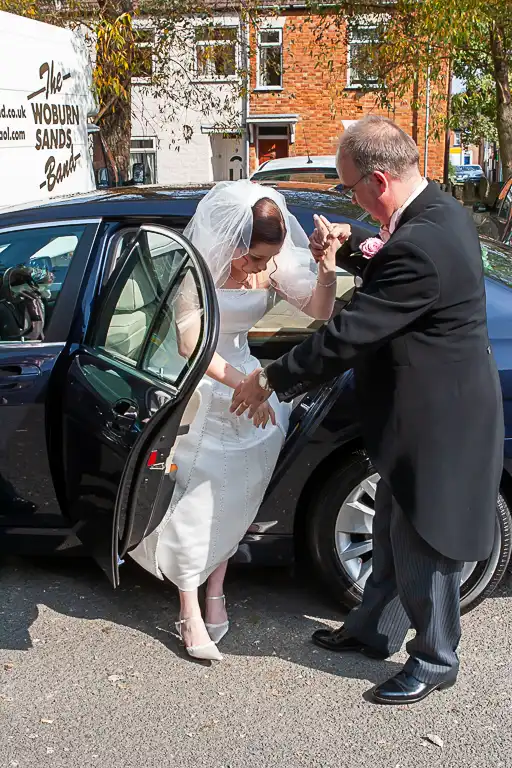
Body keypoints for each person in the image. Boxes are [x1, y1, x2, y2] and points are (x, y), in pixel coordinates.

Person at [231, 116, 504, 704]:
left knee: (426, 540)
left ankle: (435, 660)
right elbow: (394, 262)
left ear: (379, 180)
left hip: (438, 421)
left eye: (350, 187)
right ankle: (372, 632)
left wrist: (270, 378)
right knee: (389, 529)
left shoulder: (424, 244)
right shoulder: (437, 212)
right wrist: (352, 246)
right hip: (424, 408)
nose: (349, 196)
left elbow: (348, 335)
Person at [130, 179, 337, 661]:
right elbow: (189, 345)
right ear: (235, 244)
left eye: (269, 260)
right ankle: (188, 605)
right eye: (256, 259)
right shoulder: (197, 264)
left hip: (252, 388)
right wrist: (245, 386)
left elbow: (320, 309)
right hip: (205, 384)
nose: (263, 269)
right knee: (197, 499)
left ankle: (217, 588)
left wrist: (325, 269)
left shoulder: (270, 260)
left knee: (240, 493)